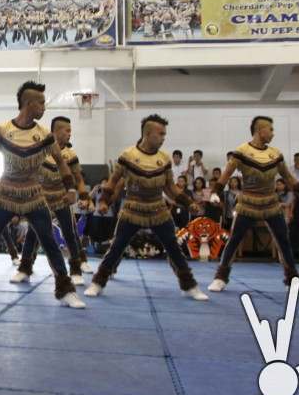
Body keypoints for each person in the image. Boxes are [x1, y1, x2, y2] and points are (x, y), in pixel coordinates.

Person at [0, 81, 85, 308]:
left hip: (33, 194)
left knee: (49, 241)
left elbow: (62, 164)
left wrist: (71, 189)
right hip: (5, 194)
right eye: (41, 103)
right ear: (28, 103)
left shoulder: (45, 135)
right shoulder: (2, 130)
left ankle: (65, 290)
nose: (44, 108)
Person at [83, 115, 208, 301]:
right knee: (117, 246)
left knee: (174, 247)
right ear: (148, 134)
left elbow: (171, 189)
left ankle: (189, 285)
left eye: (165, 134)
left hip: (158, 209)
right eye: (161, 133)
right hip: (132, 209)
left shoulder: (164, 159)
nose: (164, 137)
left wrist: (189, 203)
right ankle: (98, 282)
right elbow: (113, 183)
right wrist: (103, 202)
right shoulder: (128, 156)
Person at [208, 117, 299, 295]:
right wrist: (215, 192)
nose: (273, 133)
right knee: (234, 240)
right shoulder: (241, 151)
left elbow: (289, 178)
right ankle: (220, 278)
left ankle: (293, 281)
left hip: (270, 203)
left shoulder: (275, 154)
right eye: (271, 129)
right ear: (260, 131)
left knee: (284, 241)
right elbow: (226, 174)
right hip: (248, 203)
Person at [12, 116, 91, 285]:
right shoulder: (40, 150)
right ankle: (25, 269)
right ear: (55, 132)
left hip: (62, 199)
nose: (70, 133)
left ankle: (76, 270)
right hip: (40, 200)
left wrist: (84, 197)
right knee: (32, 234)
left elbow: (79, 178)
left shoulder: (70, 155)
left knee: (70, 234)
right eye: (67, 130)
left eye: (71, 130)